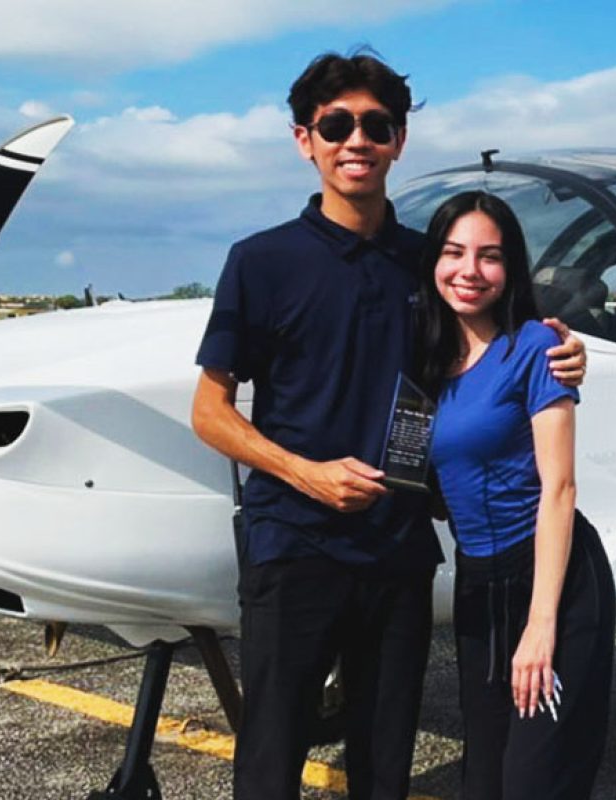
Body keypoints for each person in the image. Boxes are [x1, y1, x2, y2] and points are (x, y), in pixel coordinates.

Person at [190, 51, 588, 800]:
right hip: (293, 545)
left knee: (384, 766)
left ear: (399, 140)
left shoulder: (429, 264)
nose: (356, 140)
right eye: (335, 124)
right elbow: (208, 412)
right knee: (271, 760)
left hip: (398, 553)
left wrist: (569, 350)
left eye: (376, 125)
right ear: (304, 139)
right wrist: (305, 473)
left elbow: (512, 344)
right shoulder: (260, 262)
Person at [416, 191, 616, 800]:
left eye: (490, 257)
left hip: (552, 578)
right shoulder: (425, 357)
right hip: (480, 584)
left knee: (536, 782)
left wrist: (541, 627)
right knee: (484, 782)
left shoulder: (535, 347)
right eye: (454, 253)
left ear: (511, 270)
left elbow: (558, 489)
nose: (469, 271)